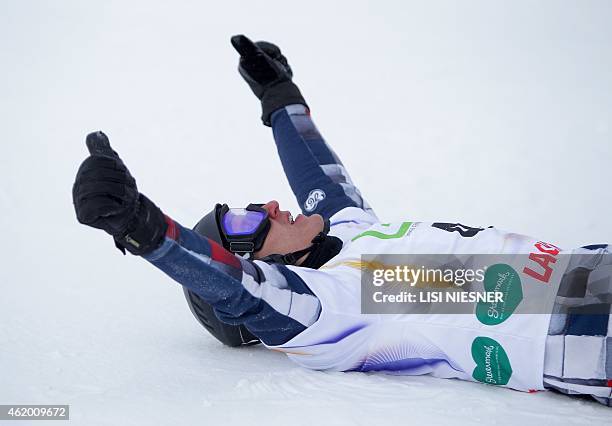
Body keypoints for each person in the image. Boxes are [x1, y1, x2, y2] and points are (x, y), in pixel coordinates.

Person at [72, 35, 612, 406]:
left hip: (589, 269)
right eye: (245, 222)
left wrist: (279, 97)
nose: (270, 206)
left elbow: (318, 171)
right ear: (261, 263)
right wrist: (141, 226)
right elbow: (236, 290)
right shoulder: (330, 309)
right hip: (580, 332)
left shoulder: (351, 233)